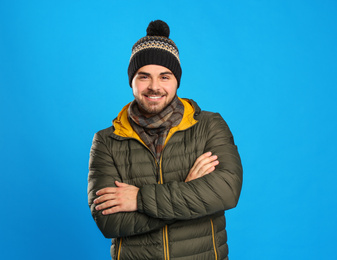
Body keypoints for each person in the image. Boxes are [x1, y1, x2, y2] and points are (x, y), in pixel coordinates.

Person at [88, 20, 243, 260]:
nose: (154, 87)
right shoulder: (107, 140)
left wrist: (138, 199)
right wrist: (189, 189)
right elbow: (110, 221)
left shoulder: (209, 125)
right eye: (143, 77)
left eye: (164, 76)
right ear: (131, 80)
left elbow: (226, 191)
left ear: (176, 80)